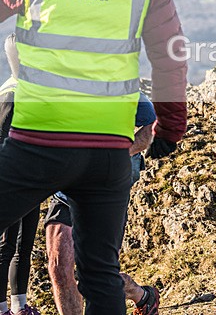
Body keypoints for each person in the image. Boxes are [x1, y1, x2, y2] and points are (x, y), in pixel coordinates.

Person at [0, 0, 187, 314]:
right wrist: (167, 131)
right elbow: (171, 57)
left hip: (39, 141)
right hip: (109, 152)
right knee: (100, 274)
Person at [44, 93, 160, 315]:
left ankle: (142, 295)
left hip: (105, 190)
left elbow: (154, 122)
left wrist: (115, 154)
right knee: (59, 268)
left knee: (97, 273)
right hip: (65, 189)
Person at [0, 36, 40, 315]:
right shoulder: (11, 93)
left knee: (23, 245)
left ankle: (19, 306)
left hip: (32, 180)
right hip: (14, 182)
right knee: (7, 246)